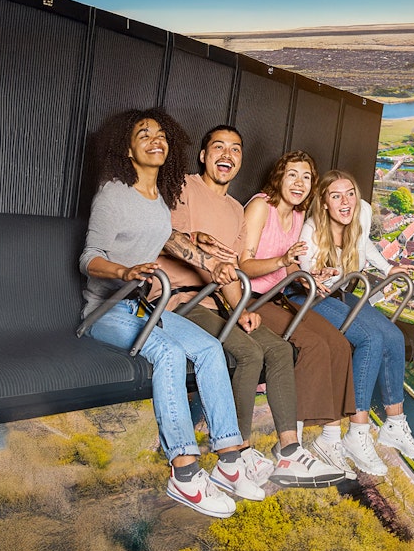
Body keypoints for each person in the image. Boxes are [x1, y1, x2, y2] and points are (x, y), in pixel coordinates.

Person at [80, 107, 263, 518]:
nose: (155, 140)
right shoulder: (113, 193)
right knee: (169, 354)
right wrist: (124, 270)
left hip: (149, 307)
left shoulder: (158, 198)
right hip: (107, 309)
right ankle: (184, 474)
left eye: (161, 135)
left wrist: (208, 261)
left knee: (212, 350)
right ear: (127, 149)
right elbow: (88, 257)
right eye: (143, 135)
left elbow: (169, 238)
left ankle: (230, 462)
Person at [154, 125, 344, 488]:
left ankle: (289, 451)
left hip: (217, 301)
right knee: (248, 353)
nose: (227, 155)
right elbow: (169, 240)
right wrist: (215, 268)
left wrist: (239, 308)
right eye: (219, 147)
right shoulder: (184, 188)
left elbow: (231, 273)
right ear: (203, 155)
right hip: (181, 300)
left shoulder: (235, 210)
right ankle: (235, 454)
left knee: (277, 349)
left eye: (236, 150)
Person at [295, 169, 414, 477]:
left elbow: (363, 244)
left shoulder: (363, 212)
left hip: (342, 291)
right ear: (324, 202)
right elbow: (308, 280)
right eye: (336, 196)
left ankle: (394, 424)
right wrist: (319, 275)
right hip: (312, 297)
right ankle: (358, 431)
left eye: (350, 193)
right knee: (370, 339)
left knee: (393, 337)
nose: (346, 202)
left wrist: (387, 268)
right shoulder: (311, 232)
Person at [239, 151, 358, 481]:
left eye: (306, 177)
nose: (299, 183)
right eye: (293, 175)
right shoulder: (262, 206)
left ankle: (330, 439)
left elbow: (289, 263)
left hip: (283, 293)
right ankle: (291, 446)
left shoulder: (300, 214)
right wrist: (282, 262)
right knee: (313, 346)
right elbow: (242, 264)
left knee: (337, 342)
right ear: (279, 177)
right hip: (253, 298)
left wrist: (310, 277)